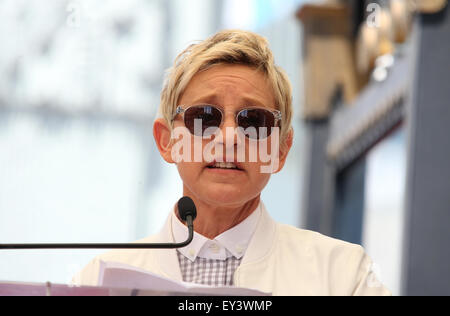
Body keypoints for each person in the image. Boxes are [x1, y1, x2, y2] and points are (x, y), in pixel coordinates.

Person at [73, 30, 391, 296]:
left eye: (253, 120)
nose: (228, 137)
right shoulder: (98, 283)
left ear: (280, 150)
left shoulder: (344, 276)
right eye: (204, 117)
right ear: (167, 141)